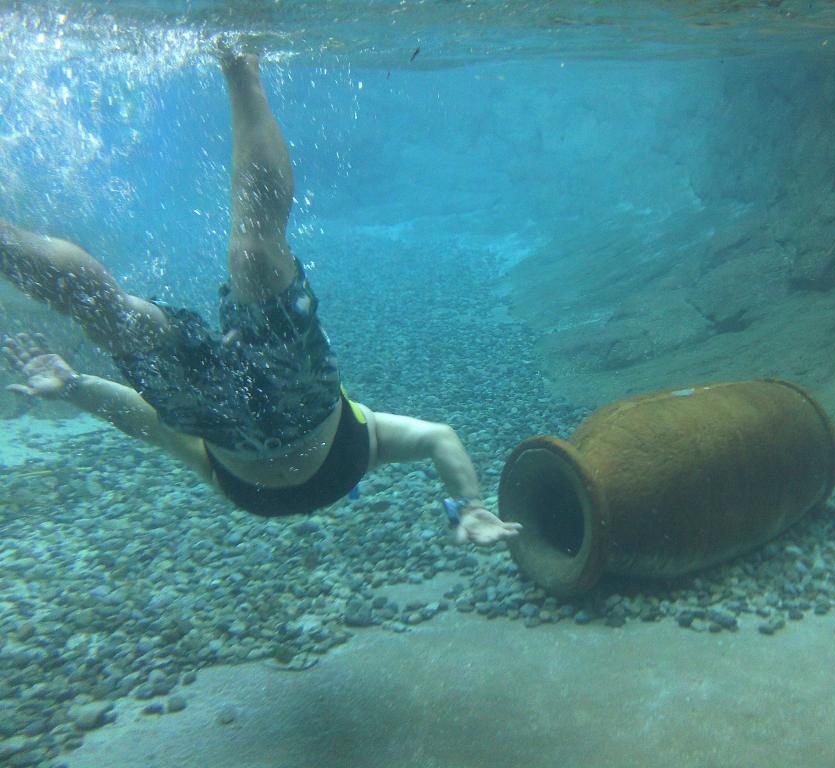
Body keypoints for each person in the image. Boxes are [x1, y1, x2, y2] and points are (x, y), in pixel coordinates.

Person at [0, 51, 521, 547]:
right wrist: (469, 502)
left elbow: (147, 424)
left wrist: (74, 384)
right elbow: (439, 438)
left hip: (206, 417)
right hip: (305, 398)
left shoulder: (221, 470)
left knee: (108, 313)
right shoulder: (367, 446)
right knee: (253, 252)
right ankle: (239, 62)